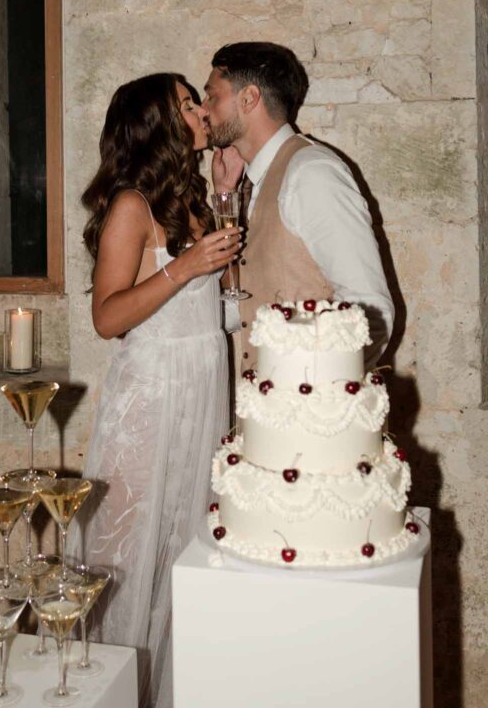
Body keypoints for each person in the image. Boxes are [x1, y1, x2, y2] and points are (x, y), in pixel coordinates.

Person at [78, 72, 240, 708]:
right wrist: (184, 266)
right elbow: (107, 318)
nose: (202, 109)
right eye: (187, 103)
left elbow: (213, 309)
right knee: (129, 554)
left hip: (201, 389)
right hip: (150, 398)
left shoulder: (194, 200)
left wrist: (226, 199)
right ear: (159, 125)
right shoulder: (131, 206)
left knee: (183, 549)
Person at [203, 41, 394, 369]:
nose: (204, 108)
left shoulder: (310, 173)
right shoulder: (255, 181)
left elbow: (371, 311)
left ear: (249, 98)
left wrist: (317, 395)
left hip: (309, 408)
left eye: (212, 95)